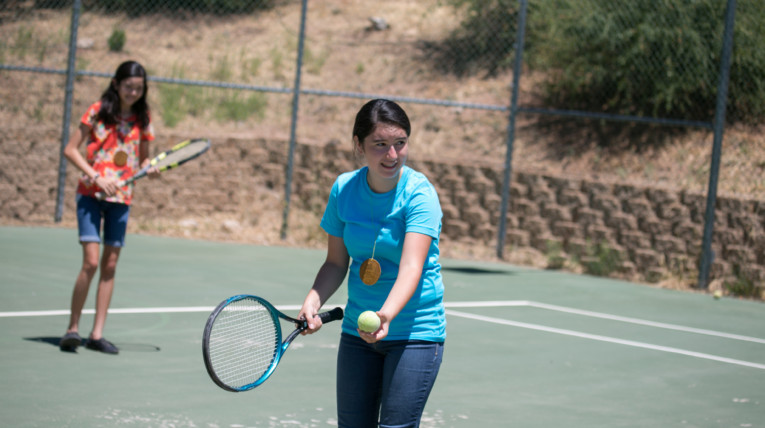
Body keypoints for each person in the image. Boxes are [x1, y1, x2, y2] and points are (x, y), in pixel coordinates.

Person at [298, 99, 446, 427]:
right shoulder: (344, 190)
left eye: (400, 143)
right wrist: (313, 299)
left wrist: (385, 316)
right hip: (357, 334)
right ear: (359, 146)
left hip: (415, 334)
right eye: (380, 145)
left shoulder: (420, 195)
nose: (392, 155)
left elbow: (411, 267)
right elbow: (336, 262)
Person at [59, 60, 159, 354]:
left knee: (110, 264)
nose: (133, 92)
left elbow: (143, 160)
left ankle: (97, 334)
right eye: (128, 86)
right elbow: (70, 149)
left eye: (139, 89)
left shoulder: (143, 118)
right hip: (90, 195)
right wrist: (96, 177)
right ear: (116, 84)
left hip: (122, 199)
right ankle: (72, 329)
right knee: (90, 261)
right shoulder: (97, 111)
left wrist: (150, 168)